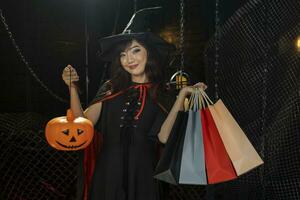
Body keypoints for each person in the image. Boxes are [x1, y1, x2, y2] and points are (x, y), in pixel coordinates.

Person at [62, 7, 207, 200]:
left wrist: (182, 96)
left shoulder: (163, 93)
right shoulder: (110, 88)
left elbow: (164, 137)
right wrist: (72, 87)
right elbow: (81, 123)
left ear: (150, 53)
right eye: (122, 54)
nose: (128, 59)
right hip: (108, 174)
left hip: (144, 175)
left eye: (135, 50)